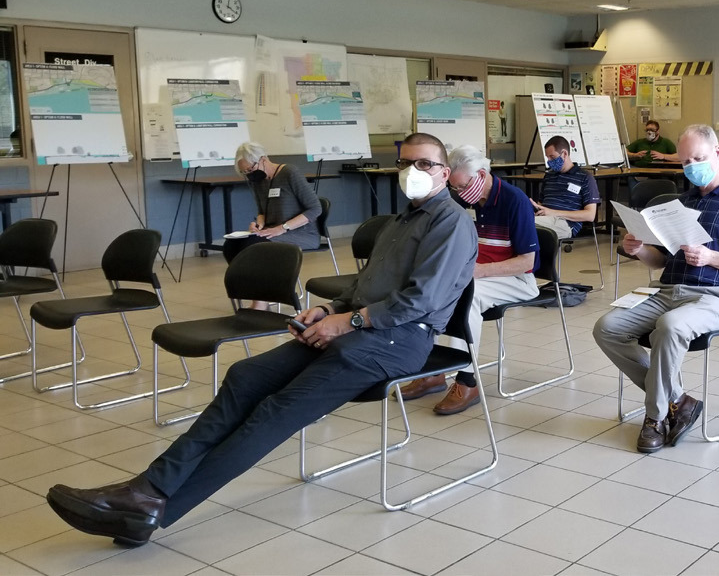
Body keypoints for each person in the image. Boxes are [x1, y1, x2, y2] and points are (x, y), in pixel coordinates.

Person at [44, 133, 477, 547]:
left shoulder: (451, 223)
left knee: (275, 410)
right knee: (246, 376)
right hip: (359, 327)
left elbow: (423, 300)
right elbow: (365, 282)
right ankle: (146, 489)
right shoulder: (401, 220)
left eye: (424, 163)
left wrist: (348, 322)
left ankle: (155, 505)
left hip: (397, 341)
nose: (411, 170)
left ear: (444, 171)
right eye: (404, 162)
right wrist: (327, 311)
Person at [593, 124, 719, 453]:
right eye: (686, 162)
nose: (692, 166)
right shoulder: (682, 202)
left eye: (699, 158)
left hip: (718, 298)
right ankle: (679, 400)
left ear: (718, 153)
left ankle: (655, 417)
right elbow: (660, 262)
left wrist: (712, 257)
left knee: (670, 326)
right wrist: (638, 249)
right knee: (607, 328)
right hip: (667, 291)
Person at [397, 144, 540, 415]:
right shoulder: (467, 201)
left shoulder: (514, 200)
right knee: (434, 290)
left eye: (463, 187)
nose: (460, 194)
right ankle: (435, 371)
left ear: (482, 175)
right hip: (478, 274)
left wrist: (476, 271)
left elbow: (528, 262)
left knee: (467, 295)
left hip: (517, 279)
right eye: (455, 188)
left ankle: (467, 380)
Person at [224, 141, 322, 265]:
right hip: (271, 231)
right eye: (245, 172)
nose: (249, 174)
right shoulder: (257, 181)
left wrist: (282, 228)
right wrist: (258, 225)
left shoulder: (289, 173)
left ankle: (263, 282)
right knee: (231, 246)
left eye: (250, 169)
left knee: (253, 246)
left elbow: (315, 209)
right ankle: (243, 282)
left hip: (301, 233)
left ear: (263, 159)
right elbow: (262, 211)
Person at [532, 135, 600, 240]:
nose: (549, 161)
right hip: (543, 218)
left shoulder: (585, 177)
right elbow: (541, 203)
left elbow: (590, 215)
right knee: (514, 220)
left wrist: (553, 212)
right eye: (547, 158)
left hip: (565, 223)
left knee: (524, 225)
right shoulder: (549, 176)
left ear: (564, 154)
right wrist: (533, 207)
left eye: (552, 157)